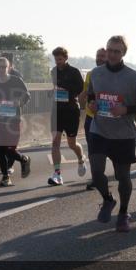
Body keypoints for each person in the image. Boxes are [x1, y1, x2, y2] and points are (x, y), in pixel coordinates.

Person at [85, 35, 136, 233]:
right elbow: (91, 95)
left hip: (123, 134)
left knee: (122, 176)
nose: (112, 54)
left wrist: (125, 110)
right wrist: (92, 104)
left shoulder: (133, 76)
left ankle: (123, 213)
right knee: (97, 173)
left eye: (117, 51)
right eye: (110, 50)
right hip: (99, 130)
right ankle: (108, 200)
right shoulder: (96, 73)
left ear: (123, 53)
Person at [0, 55, 31, 186]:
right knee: (0, 149)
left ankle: (24, 159)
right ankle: (5, 176)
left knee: (9, 149)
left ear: (9, 67)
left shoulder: (16, 81)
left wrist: (20, 102)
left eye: (3, 67)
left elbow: (27, 95)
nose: (1, 69)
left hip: (13, 120)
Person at [49, 47, 86, 186]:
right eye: (55, 59)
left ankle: (81, 159)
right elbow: (54, 87)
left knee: (72, 144)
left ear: (65, 58)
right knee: (55, 142)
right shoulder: (53, 71)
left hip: (71, 111)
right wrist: (52, 91)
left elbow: (81, 89)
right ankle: (57, 174)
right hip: (57, 110)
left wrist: (67, 91)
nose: (57, 62)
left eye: (59, 59)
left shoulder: (74, 72)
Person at [79, 47, 108, 190]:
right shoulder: (90, 74)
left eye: (102, 56)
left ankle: (119, 175)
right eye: (98, 56)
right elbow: (86, 92)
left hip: (110, 118)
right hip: (92, 118)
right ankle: (96, 177)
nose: (99, 59)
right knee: (92, 150)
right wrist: (81, 99)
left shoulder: (114, 74)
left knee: (111, 150)